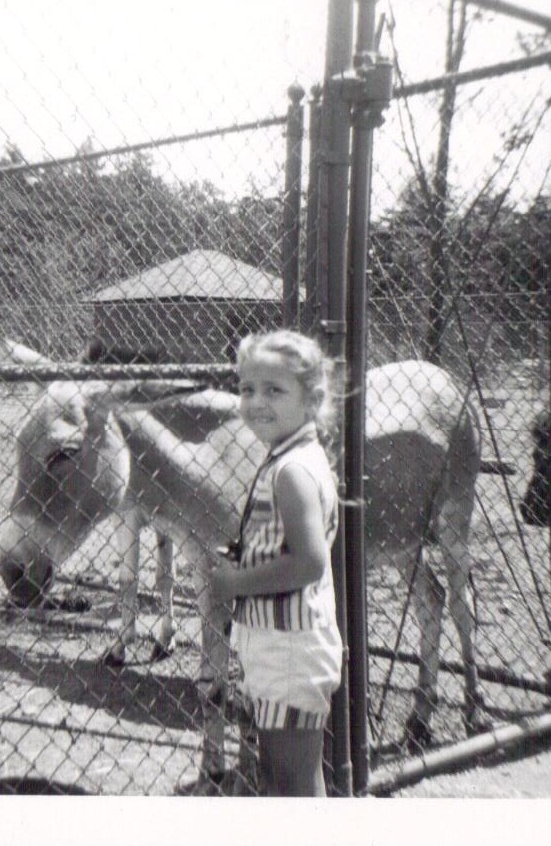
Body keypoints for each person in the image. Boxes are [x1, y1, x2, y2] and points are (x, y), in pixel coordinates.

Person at [207, 330, 343, 797]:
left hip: (291, 651)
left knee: (293, 781)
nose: (256, 402)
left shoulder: (292, 471)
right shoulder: (290, 456)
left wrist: (235, 582)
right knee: (289, 777)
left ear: (312, 399)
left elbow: (308, 564)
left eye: (274, 390)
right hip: (280, 647)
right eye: (246, 389)